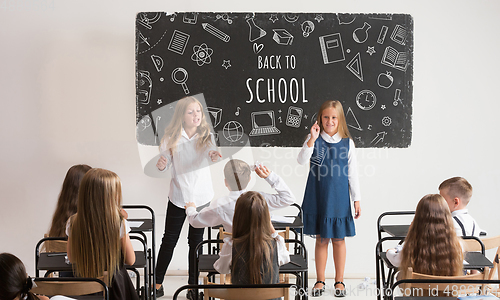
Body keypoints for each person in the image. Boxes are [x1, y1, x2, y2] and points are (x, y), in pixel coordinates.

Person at [154, 96, 221, 299]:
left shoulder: (207, 136)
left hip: (201, 197)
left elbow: (212, 153)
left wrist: (214, 155)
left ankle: (193, 287)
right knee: (169, 240)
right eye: (191, 112)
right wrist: (162, 163)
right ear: (182, 116)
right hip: (179, 195)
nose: (196, 116)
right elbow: (164, 163)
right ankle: (157, 284)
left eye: (198, 112)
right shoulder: (171, 137)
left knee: (196, 242)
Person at [297, 100, 361, 297]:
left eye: (334, 117)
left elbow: (353, 174)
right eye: (326, 117)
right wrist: (312, 139)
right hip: (318, 195)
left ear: (340, 119)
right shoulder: (314, 139)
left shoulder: (347, 143)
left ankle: (339, 281)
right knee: (321, 239)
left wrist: (356, 199)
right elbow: (301, 160)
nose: (330, 121)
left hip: (339, 197)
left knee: (339, 239)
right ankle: (320, 280)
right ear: (320, 118)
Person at [66, 168, 139, 300]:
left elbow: (72, 258)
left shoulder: (73, 222)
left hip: (84, 285)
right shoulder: (119, 222)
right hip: (114, 287)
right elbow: (131, 260)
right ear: (110, 196)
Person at [185, 159, 295, 233]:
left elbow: (195, 222)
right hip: (260, 255)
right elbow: (288, 198)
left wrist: (191, 209)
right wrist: (269, 176)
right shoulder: (260, 199)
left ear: (226, 182)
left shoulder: (220, 205)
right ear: (250, 179)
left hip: (234, 258)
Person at [213, 191, 290, 293]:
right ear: (266, 217)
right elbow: (285, 259)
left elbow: (222, 269)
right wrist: (272, 230)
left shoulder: (231, 245)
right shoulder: (277, 243)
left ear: (238, 217)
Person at [387, 194, 463, 280]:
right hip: (447, 291)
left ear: (418, 217)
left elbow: (395, 261)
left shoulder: (413, 245)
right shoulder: (457, 245)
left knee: (400, 276)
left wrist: (390, 251)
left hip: (418, 291)